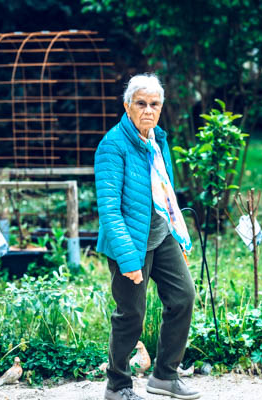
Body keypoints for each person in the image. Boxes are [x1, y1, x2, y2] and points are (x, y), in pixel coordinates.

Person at [95, 74, 201, 400]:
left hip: (160, 235)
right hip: (129, 243)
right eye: (141, 103)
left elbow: (165, 194)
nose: (148, 110)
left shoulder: (157, 140)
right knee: (131, 315)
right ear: (127, 106)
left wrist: (179, 235)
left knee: (183, 297)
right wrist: (129, 260)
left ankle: (165, 376)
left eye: (154, 104)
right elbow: (109, 211)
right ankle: (118, 385)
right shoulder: (113, 146)